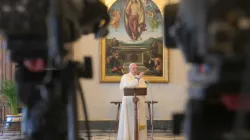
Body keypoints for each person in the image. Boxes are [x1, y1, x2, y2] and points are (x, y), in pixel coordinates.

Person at [117, 63, 147, 140]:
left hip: (139, 104)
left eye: (136, 68)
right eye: (133, 68)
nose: (135, 70)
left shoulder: (141, 79)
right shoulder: (125, 77)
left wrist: (139, 79)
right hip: (129, 104)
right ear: (129, 69)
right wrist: (137, 78)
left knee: (138, 121)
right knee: (129, 122)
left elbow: (144, 89)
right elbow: (129, 86)